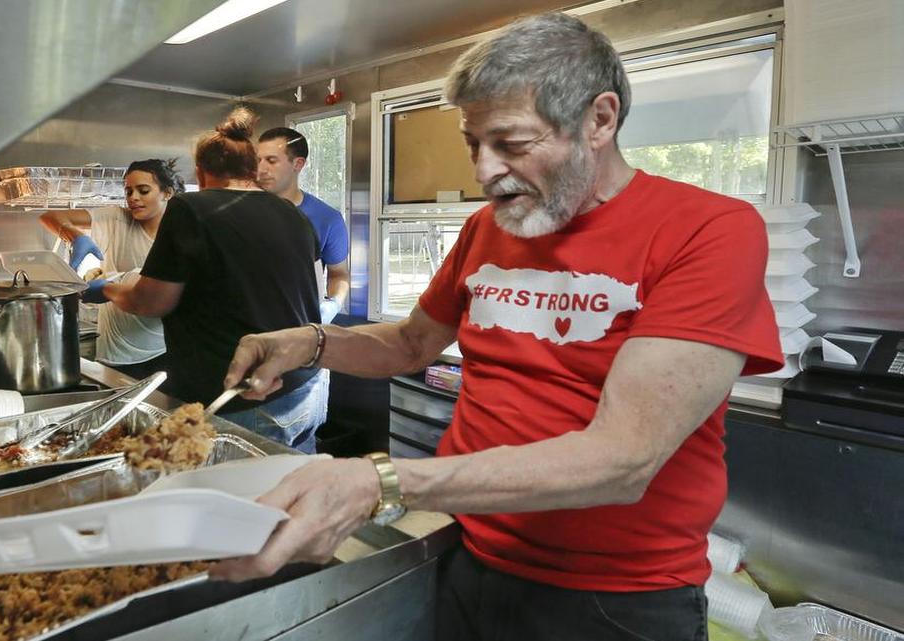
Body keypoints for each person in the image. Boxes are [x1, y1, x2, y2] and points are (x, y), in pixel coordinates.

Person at [211, 13, 782, 641]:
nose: (484, 171)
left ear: (600, 119)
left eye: (510, 143)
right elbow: (410, 343)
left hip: (614, 596)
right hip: (464, 550)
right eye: (472, 144)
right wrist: (310, 342)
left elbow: (625, 458)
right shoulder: (491, 227)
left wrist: (381, 479)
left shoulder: (708, 230)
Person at [105, 108, 328, 454]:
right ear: (252, 170)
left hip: (247, 397)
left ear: (199, 171)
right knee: (296, 491)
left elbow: (151, 302)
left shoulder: (189, 208)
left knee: (243, 499)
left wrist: (106, 289)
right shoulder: (291, 213)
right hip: (304, 386)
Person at [40, 159, 184, 381]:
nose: (133, 198)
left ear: (167, 193)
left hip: (165, 349)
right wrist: (75, 235)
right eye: (128, 191)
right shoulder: (117, 218)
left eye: (143, 191)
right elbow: (50, 217)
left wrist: (110, 289)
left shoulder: (179, 235)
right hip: (117, 352)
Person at [256, 127, 350, 324]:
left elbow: (339, 274)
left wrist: (332, 305)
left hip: (300, 329)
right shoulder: (240, 213)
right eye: (258, 161)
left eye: (271, 161)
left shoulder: (327, 219)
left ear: (298, 163)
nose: (261, 169)